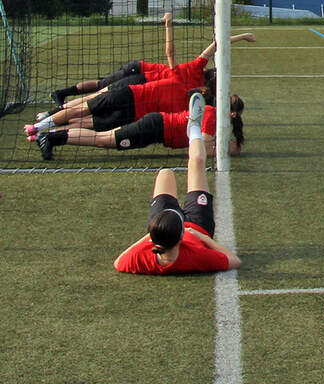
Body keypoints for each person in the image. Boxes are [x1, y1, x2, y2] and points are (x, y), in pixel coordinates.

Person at [28, 31, 255, 132]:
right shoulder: (189, 73)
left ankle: (51, 130)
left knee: (94, 116)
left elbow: (215, 45)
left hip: (136, 105)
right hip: (136, 81)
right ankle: (49, 118)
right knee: (93, 99)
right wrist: (241, 36)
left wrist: (242, 37)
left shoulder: (194, 95)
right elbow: (213, 45)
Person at [113, 93, 240, 275]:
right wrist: (202, 237)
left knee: (166, 173)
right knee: (196, 161)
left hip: (163, 225)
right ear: (182, 236)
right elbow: (234, 261)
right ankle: (194, 127)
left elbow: (118, 262)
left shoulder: (143, 258)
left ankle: (194, 128)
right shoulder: (197, 255)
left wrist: (154, 234)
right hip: (198, 225)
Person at [34, 94, 245, 160]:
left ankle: (52, 137)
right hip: (154, 127)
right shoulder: (210, 114)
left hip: (156, 129)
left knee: (104, 138)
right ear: (233, 113)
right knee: (104, 139)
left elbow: (230, 148)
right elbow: (204, 151)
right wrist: (221, 148)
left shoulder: (215, 117)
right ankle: (51, 138)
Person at [51, 12, 177, 107]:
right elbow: (170, 53)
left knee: (102, 85)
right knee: (101, 86)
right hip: (136, 70)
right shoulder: (179, 73)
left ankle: (65, 98)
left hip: (137, 71)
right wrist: (168, 25)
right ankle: (61, 94)